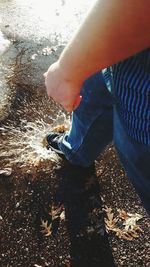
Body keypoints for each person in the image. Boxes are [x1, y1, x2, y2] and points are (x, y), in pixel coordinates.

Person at [44, 0, 150, 215]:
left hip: (143, 99)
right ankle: (76, 153)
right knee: (95, 94)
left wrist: (68, 70)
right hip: (118, 56)